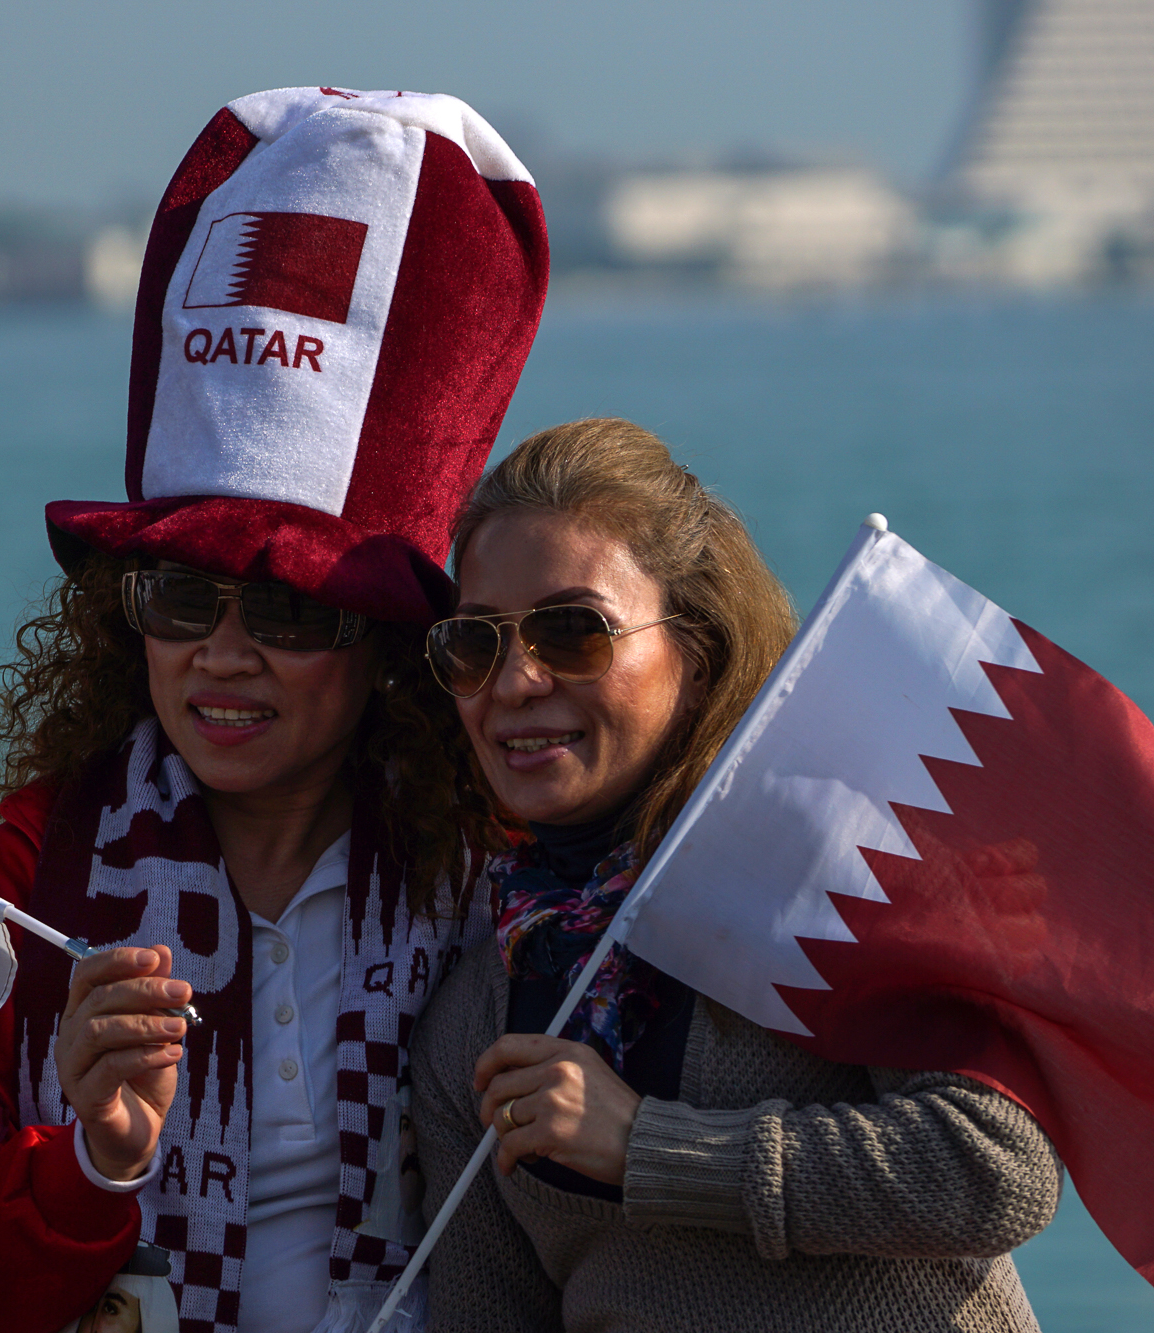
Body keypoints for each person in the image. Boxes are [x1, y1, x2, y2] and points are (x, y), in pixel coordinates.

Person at [0, 87, 549, 1333]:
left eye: (294, 613)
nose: (225, 656)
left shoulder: (502, 879)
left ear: (388, 647)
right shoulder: (24, 889)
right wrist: (93, 1162)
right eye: (184, 598)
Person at [409, 419, 1061, 1331]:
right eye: (475, 643)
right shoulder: (477, 1015)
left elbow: (996, 1170)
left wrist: (650, 1146)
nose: (515, 681)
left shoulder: (836, 873)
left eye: (572, 631)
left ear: (697, 645)